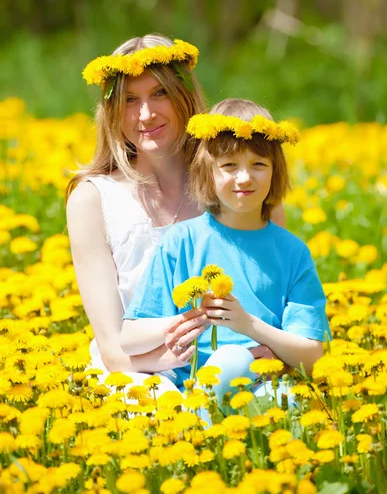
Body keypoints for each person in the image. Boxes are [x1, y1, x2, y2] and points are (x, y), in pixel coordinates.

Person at [66, 35, 286, 394]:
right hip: (137, 372)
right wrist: (164, 361)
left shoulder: (243, 187)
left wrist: (273, 352)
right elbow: (111, 346)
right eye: (129, 100)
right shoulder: (92, 200)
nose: (146, 114)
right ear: (112, 110)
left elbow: (276, 303)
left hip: (237, 361)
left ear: (185, 97)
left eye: (159, 94)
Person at [121, 98, 331, 405]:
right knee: (231, 359)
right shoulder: (181, 242)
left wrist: (249, 325)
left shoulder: (292, 252)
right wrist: (189, 320)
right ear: (208, 172)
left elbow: (312, 355)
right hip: (197, 383)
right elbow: (129, 338)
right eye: (229, 166)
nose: (244, 177)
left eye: (258, 165)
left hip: (267, 381)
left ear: (275, 171)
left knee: (291, 401)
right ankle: (201, 432)